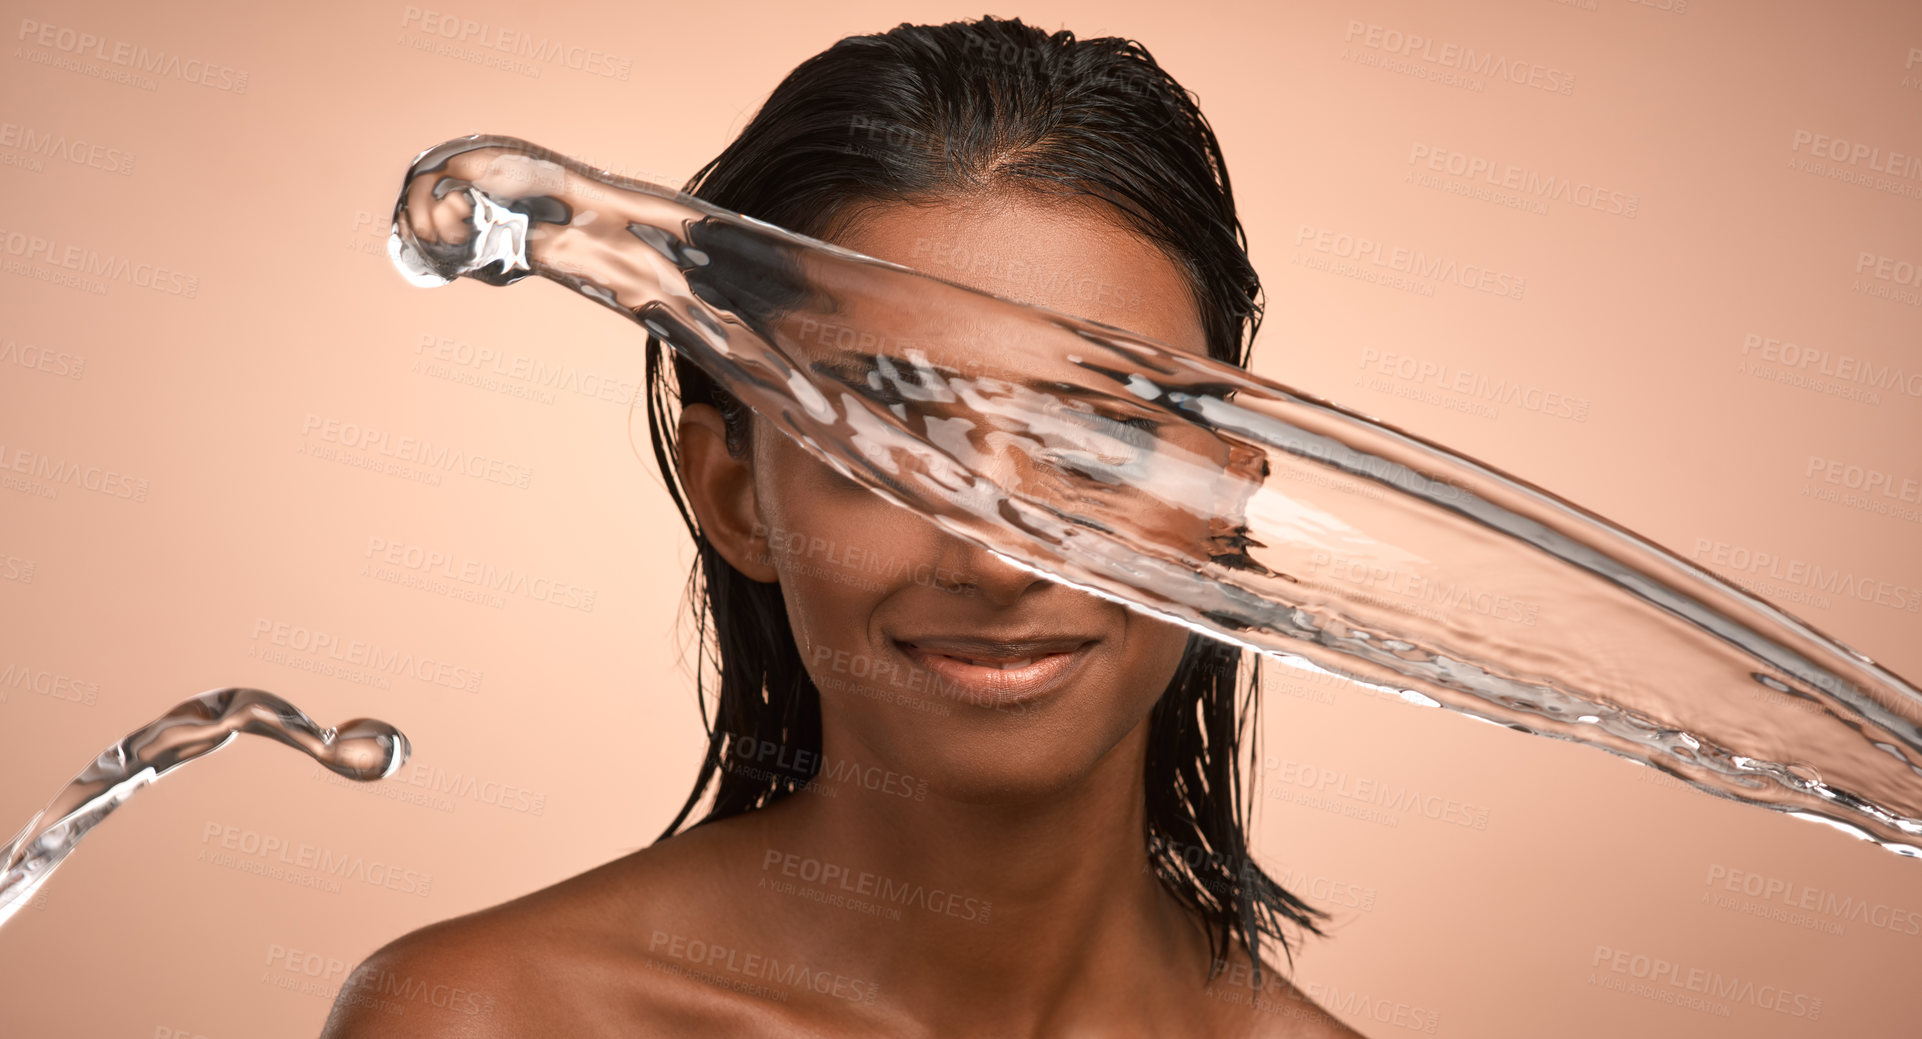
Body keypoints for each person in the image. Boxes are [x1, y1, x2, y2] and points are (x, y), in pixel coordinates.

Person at [326, 15, 1366, 1038]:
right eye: (884, 440)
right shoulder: (490, 1020)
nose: (995, 556)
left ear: (1226, 500)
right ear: (734, 497)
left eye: (1096, 442)